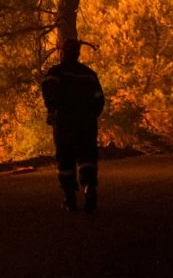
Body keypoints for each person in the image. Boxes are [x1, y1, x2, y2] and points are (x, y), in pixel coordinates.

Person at [41, 38, 105, 213]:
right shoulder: (90, 75)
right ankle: (89, 186)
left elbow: (48, 92)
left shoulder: (56, 73)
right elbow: (99, 99)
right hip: (87, 123)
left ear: (62, 53)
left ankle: (70, 199)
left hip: (65, 124)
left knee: (65, 159)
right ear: (77, 53)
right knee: (87, 157)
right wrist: (92, 115)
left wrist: (53, 111)